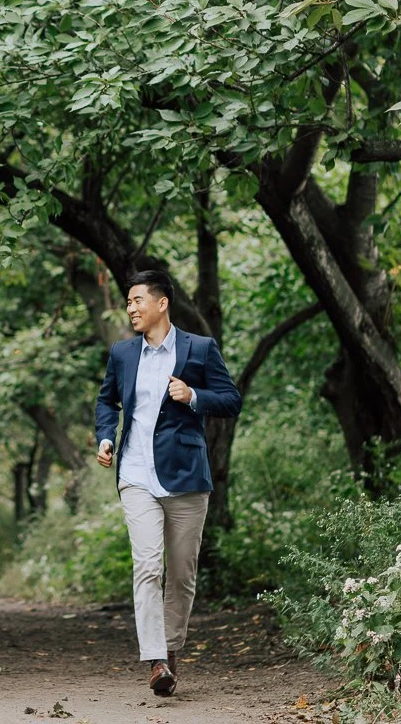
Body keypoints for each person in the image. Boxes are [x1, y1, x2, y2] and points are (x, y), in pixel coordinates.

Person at [94, 270, 242, 697]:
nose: (131, 308)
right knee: (147, 565)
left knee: (181, 573)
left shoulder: (200, 348)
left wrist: (194, 396)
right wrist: (106, 436)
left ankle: (171, 649)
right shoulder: (123, 353)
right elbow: (108, 401)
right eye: (127, 302)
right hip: (136, 474)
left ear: (162, 303)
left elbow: (231, 399)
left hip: (186, 476)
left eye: (137, 300)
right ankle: (156, 659)